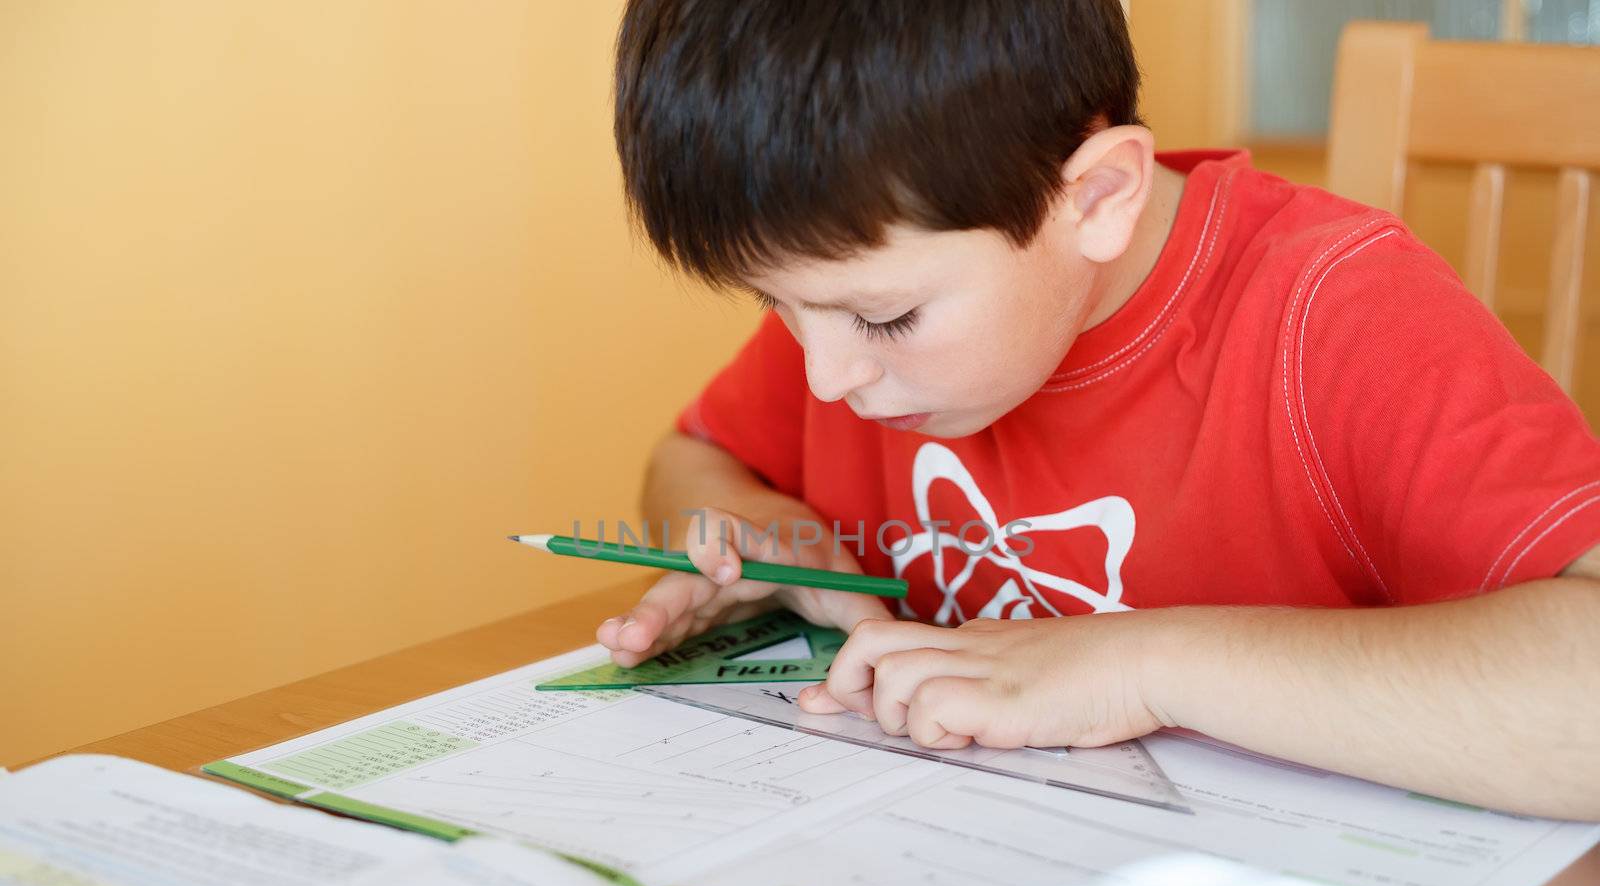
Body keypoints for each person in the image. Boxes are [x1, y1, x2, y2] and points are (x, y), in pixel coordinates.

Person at [596, 0, 1600, 818]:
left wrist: (1142, 662)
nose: (823, 378)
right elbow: (688, 457)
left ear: (1096, 197)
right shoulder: (851, 313)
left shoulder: (1333, 315)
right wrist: (777, 537)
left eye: (887, 314)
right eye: (774, 305)